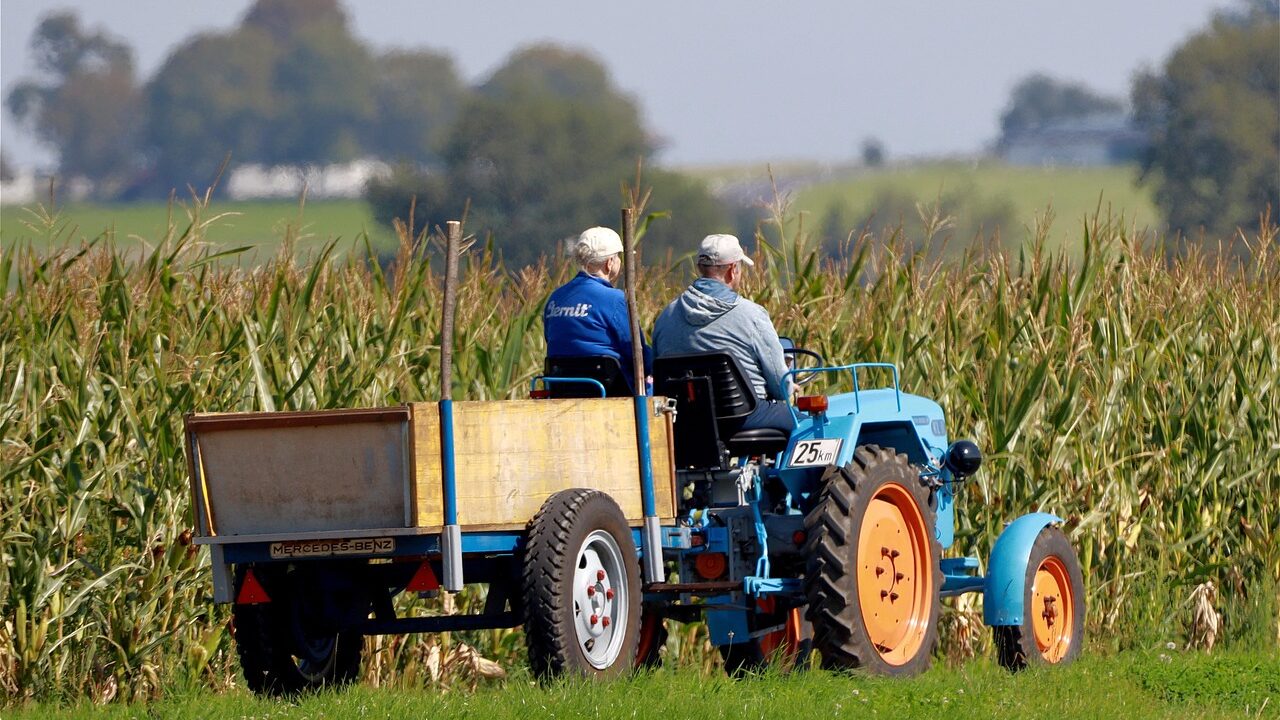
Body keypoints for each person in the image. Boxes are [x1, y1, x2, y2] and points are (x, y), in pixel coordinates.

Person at [652, 234, 795, 433]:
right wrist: (789, 387)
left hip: (686, 422)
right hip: (744, 417)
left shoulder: (666, 317)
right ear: (732, 270)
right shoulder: (752, 315)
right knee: (806, 423)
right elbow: (781, 388)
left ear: (699, 268)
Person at [543, 226, 651, 393]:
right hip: (610, 391)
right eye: (618, 257)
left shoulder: (555, 298)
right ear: (609, 263)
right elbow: (638, 353)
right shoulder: (615, 299)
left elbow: (551, 339)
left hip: (561, 390)